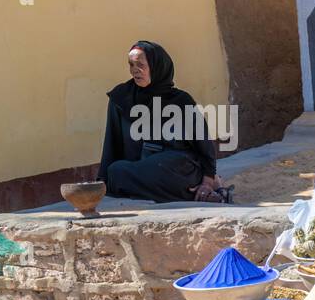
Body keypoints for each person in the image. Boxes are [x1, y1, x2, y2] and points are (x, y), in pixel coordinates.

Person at [98, 41, 231, 203]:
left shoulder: (180, 100)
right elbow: (112, 143)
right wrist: (102, 184)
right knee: (115, 172)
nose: (134, 70)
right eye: (131, 65)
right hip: (139, 170)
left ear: (157, 67)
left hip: (175, 167)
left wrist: (208, 181)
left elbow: (204, 145)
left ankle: (207, 189)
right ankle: (198, 195)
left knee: (166, 167)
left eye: (140, 65)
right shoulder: (121, 98)